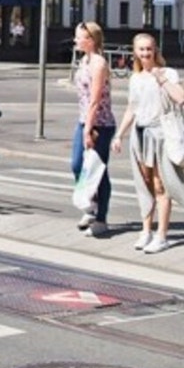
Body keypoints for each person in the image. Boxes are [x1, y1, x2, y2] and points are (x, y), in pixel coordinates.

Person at [113, 33, 184, 254]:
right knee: (145, 185)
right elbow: (132, 108)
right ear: (135, 52)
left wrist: (162, 79)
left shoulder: (168, 73)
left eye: (149, 49)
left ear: (155, 50)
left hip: (160, 137)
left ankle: (162, 235)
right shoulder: (135, 78)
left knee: (162, 186)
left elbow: (181, 98)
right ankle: (146, 231)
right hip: (140, 136)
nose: (145, 53)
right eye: (141, 49)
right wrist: (119, 135)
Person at [71, 20, 116, 237]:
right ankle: (91, 206)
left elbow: (95, 100)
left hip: (101, 123)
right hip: (83, 120)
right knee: (77, 165)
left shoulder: (98, 63)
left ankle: (101, 218)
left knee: (98, 170)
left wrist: (88, 129)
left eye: (79, 37)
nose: (76, 40)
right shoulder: (83, 61)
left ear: (90, 40)